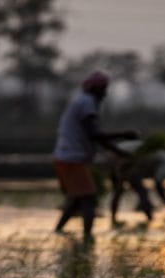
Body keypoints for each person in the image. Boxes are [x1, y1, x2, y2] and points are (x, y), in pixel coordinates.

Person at [53, 70, 137, 241]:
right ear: (96, 89)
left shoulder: (83, 101)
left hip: (68, 157)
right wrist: (123, 135)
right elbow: (94, 134)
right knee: (89, 198)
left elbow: (96, 137)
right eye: (104, 89)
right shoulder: (87, 103)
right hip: (72, 159)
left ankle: (58, 230)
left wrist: (119, 152)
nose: (105, 94)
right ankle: (88, 238)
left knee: (78, 199)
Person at [107, 140, 165, 226]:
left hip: (117, 152)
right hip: (123, 156)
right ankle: (150, 220)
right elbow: (158, 183)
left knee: (120, 191)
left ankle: (113, 219)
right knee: (141, 192)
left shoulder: (162, 154)